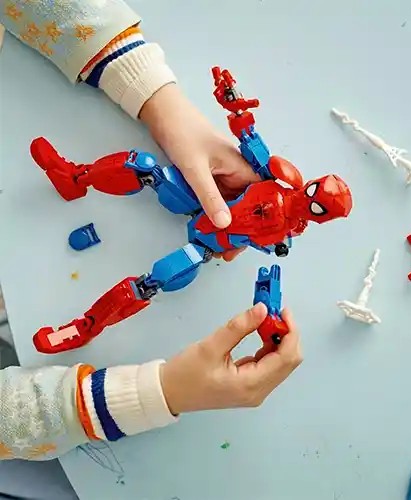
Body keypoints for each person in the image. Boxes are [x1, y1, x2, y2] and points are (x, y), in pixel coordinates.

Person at [0, 0, 302, 466]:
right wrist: (232, 100)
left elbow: (264, 248)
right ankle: (75, 178)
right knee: (143, 167)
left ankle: (87, 325)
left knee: (150, 282)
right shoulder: (274, 176)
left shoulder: (285, 227)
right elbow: (248, 132)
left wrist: (160, 101)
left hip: (205, 244)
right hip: (201, 209)